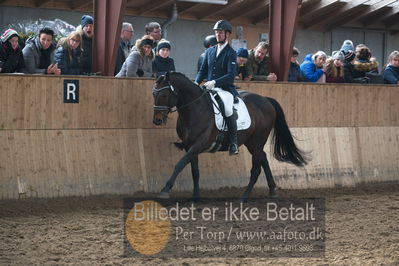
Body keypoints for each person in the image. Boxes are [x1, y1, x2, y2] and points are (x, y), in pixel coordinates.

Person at [195, 20, 239, 155]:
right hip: (209, 88)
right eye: (216, 32)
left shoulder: (231, 53)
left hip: (225, 89)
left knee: (227, 108)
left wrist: (214, 82)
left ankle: (233, 143)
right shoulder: (209, 51)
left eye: (220, 32)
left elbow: (231, 75)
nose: (218, 35)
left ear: (227, 34)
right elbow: (202, 71)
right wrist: (196, 83)